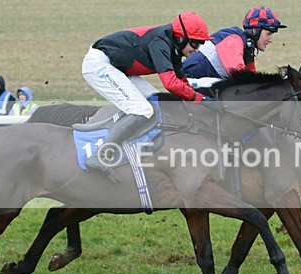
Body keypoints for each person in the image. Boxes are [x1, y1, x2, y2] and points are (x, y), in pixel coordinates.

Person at [73, 12, 215, 174]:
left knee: (157, 104)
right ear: (182, 38)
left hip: (119, 68)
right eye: (196, 43)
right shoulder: (160, 43)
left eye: (201, 43)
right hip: (99, 64)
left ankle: (120, 131)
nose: (198, 49)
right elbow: (170, 84)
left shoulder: (175, 48)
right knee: (142, 110)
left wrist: (200, 100)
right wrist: (200, 99)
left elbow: (182, 83)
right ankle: (101, 156)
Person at [182, 6, 286, 83]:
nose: (270, 40)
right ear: (255, 30)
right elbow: (240, 77)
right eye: (268, 34)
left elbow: (252, 79)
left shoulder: (248, 48)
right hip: (189, 81)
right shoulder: (234, 40)